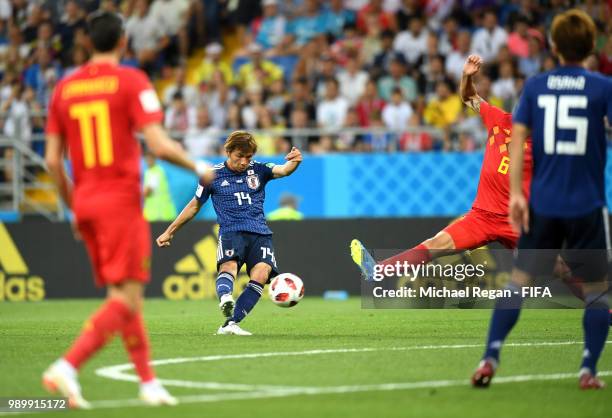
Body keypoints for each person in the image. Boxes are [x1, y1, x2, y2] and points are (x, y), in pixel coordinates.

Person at [42, 11, 214, 408]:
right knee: (127, 297)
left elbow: (52, 160)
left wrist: (71, 207)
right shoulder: (131, 80)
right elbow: (159, 145)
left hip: (84, 201)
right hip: (119, 202)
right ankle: (67, 365)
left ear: (86, 42)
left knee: (123, 296)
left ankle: (148, 383)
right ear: (123, 42)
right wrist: (198, 166)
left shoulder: (64, 89)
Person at [471, 9, 611, 390]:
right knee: (598, 289)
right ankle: (588, 370)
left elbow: (516, 141)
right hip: (586, 202)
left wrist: (516, 194)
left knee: (518, 282)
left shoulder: (535, 86)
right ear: (591, 46)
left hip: (543, 203)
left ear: (553, 45)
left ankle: (490, 357)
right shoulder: (602, 88)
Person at [156, 131, 302, 335]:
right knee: (229, 266)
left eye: (248, 157)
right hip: (231, 232)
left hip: (260, 233)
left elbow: (284, 170)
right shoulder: (212, 175)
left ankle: (231, 324)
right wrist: (169, 231)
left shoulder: (259, 169)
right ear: (228, 152)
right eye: (239, 156)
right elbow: (194, 206)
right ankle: (225, 298)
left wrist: (295, 161)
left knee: (262, 274)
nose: (244, 162)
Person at [143, 150, 178, 222]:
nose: (148, 160)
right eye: (147, 158)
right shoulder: (150, 171)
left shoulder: (155, 172)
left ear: (154, 159)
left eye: (150, 158)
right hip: (156, 214)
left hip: (160, 215)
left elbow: (147, 191)